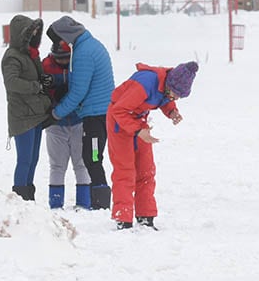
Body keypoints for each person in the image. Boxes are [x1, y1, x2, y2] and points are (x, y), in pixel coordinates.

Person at [107, 61, 198, 229]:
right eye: (175, 94)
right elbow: (118, 110)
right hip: (119, 121)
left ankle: (145, 217)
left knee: (146, 170)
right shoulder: (144, 83)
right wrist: (137, 131)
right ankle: (123, 218)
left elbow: (163, 98)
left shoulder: (167, 85)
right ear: (170, 83)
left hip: (139, 120)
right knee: (125, 170)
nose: (175, 98)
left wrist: (172, 111)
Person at [48, 16, 115, 210]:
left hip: (96, 115)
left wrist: (56, 114)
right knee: (89, 157)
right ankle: (96, 201)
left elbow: (78, 92)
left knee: (93, 157)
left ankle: (100, 204)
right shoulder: (90, 45)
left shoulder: (83, 53)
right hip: (99, 112)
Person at [1, 15, 52, 201]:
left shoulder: (29, 54)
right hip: (22, 117)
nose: (34, 35)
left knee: (33, 160)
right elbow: (11, 82)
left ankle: (28, 198)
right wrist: (36, 86)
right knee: (24, 161)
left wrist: (43, 78)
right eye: (31, 33)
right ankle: (20, 198)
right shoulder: (12, 57)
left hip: (35, 114)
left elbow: (36, 76)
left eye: (36, 32)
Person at [41, 39, 92, 209]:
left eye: (66, 58)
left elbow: (87, 83)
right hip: (55, 124)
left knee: (81, 163)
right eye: (59, 58)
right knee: (57, 165)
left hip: (79, 121)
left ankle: (84, 203)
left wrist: (61, 79)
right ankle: (55, 204)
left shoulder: (79, 64)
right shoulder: (45, 65)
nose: (63, 61)